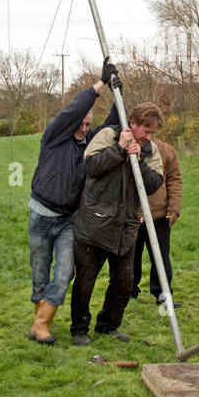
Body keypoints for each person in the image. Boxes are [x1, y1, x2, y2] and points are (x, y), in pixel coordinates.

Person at [27, 59, 119, 345]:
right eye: (80, 124)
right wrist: (99, 84)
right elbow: (74, 110)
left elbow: (111, 127)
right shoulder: (54, 137)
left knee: (65, 273)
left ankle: (41, 325)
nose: (83, 128)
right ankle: (38, 318)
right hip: (40, 217)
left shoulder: (89, 143)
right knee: (40, 276)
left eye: (87, 124)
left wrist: (118, 94)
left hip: (68, 221)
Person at [70, 103, 164, 347]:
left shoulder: (149, 150)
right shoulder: (108, 136)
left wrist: (138, 158)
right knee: (85, 281)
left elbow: (155, 183)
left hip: (126, 227)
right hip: (94, 224)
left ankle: (108, 326)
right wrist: (120, 149)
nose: (149, 136)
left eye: (153, 132)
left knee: (124, 282)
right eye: (146, 130)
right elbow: (90, 167)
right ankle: (79, 329)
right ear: (132, 123)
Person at [131, 135, 183, 306]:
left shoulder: (166, 151)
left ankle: (162, 293)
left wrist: (174, 207)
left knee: (161, 257)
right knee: (130, 257)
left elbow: (175, 180)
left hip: (160, 216)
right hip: (132, 216)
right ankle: (127, 292)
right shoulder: (128, 148)